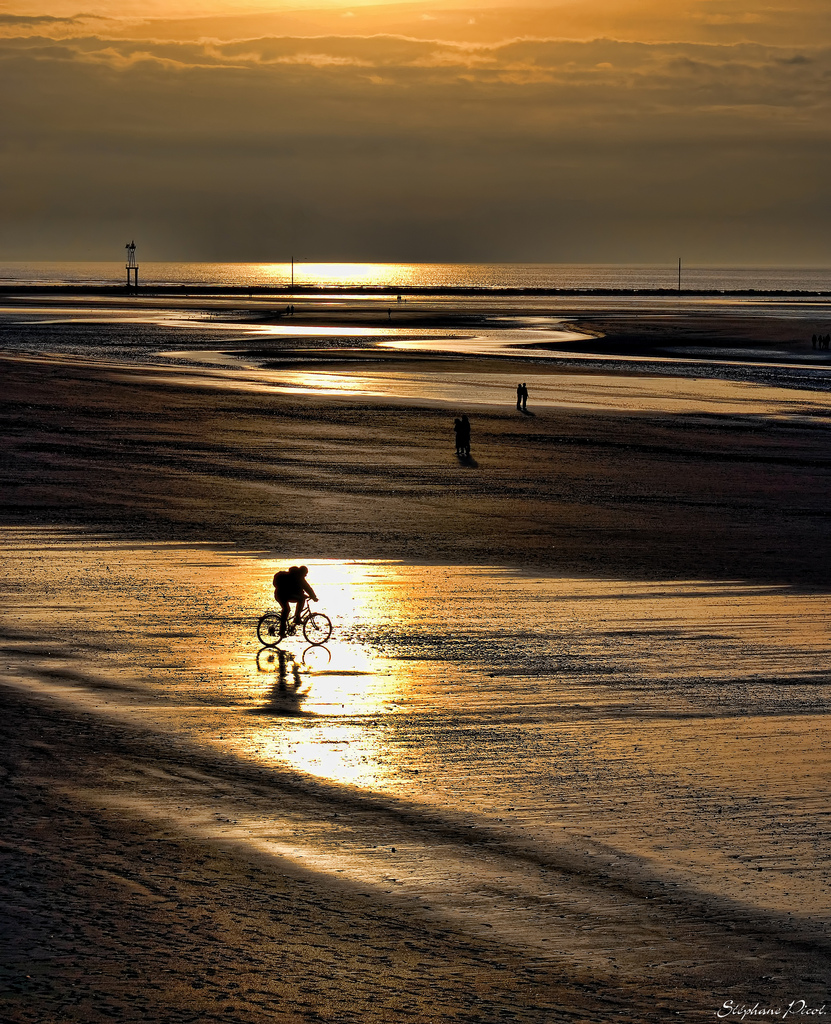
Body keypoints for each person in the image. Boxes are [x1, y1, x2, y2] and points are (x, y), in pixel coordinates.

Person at [273, 564, 318, 637]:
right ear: (302, 573)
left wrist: (310, 596)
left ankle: (296, 618)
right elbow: (306, 588)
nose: (305, 576)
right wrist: (313, 597)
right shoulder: (297, 577)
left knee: (297, 601)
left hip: (283, 594)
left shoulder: (295, 576)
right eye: (305, 574)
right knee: (287, 609)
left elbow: (304, 588)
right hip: (282, 595)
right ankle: (283, 629)